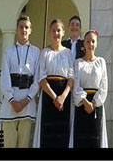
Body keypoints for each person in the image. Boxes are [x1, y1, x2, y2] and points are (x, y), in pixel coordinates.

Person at [0, 15, 41, 148]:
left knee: (24, 144)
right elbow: (5, 77)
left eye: (26, 27)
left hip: (27, 103)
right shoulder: (9, 52)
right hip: (10, 103)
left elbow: (38, 78)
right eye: (21, 27)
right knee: (9, 143)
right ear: (16, 30)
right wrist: (12, 100)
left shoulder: (36, 52)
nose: (24, 30)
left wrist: (27, 100)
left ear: (30, 30)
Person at [33, 19, 75, 148]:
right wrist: (55, 97)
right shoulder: (44, 53)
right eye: (53, 30)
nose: (56, 33)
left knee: (63, 133)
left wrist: (62, 97)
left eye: (58, 30)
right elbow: (42, 78)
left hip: (65, 99)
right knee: (48, 134)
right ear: (50, 33)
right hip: (48, 98)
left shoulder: (68, 53)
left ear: (63, 33)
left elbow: (72, 77)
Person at [72, 30, 108, 147]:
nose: (90, 44)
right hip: (82, 104)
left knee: (95, 139)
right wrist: (85, 102)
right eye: (88, 41)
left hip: (96, 105)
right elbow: (76, 85)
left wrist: (93, 103)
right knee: (81, 139)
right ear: (84, 44)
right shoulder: (78, 63)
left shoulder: (101, 62)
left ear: (96, 44)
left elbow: (103, 86)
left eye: (93, 41)